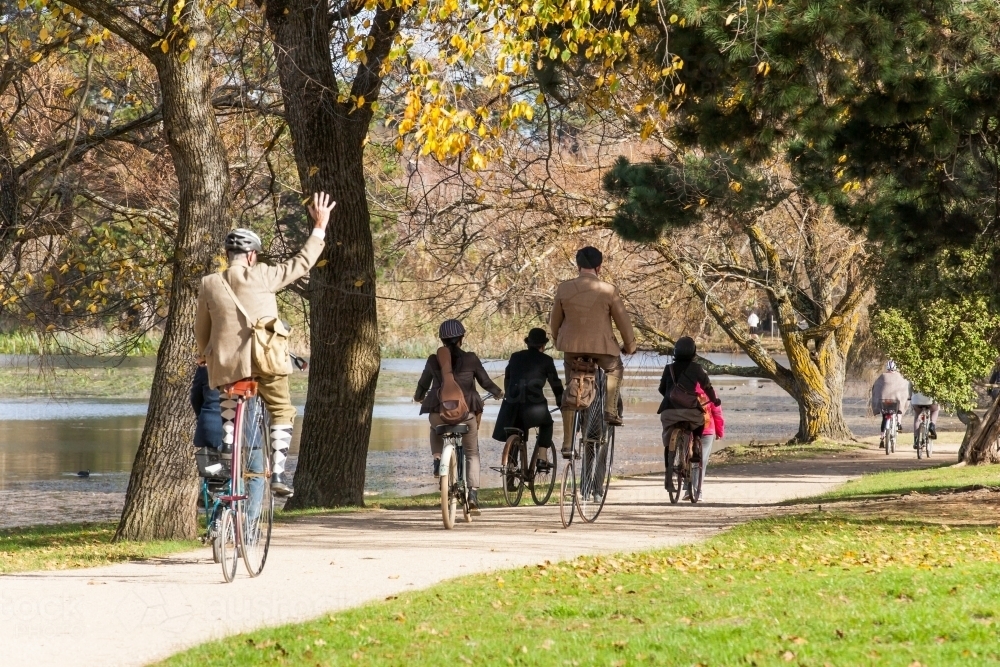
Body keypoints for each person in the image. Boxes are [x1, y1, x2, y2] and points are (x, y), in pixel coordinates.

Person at [195, 191, 335, 498]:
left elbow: (201, 330)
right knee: (281, 410)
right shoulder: (263, 275)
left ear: (228, 256)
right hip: (268, 360)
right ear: (251, 256)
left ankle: (228, 458)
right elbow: (302, 262)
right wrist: (319, 226)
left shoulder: (209, 283)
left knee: (228, 407)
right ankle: (279, 473)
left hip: (229, 364)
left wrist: (203, 354)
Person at [550, 246, 637, 458]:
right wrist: (630, 346)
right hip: (603, 349)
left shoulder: (564, 288)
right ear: (599, 267)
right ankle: (610, 410)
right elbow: (623, 323)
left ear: (578, 265)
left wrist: (557, 339)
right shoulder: (609, 290)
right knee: (615, 369)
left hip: (572, 349)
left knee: (572, 385)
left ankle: (568, 444)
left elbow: (554, 322)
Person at [414, 319, 503, 514]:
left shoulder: (432, 359)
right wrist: (498, 392)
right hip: (466, 415)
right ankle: (472, 495)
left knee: (434, 427)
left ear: (442, 340)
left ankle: (438, 460)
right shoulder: (471, 358)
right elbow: (486, 382)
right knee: (472, 453)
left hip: (439, 413)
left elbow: (422, 385)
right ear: (461, 338)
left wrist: (418, 397)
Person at [492, 328, 564, 490]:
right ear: (543, 345)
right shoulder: (546, 360)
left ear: (528, 343)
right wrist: (561, 404)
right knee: (547, 424)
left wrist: (509, 395)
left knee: (516, 432)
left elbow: (508, 378)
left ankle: (510, 471)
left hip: (511, 406)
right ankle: (543, 457)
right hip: (534, 408)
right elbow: (556, 385)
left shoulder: (515, 357)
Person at [693, 383, 724, 502]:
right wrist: (719, 431)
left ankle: (686, 487)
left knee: (688, 456)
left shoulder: (684, 390)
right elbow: (717, 413)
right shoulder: (710, 392)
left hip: (689, 428)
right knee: (702, 460)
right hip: (707, 429)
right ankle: (697, 491)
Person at [870, 360, 910, 448]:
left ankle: (882, 437)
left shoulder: (882, 376)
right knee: (899, 411)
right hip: (896, 400)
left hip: (884, 401)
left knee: (885, 417)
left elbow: (876, 386)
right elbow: (905, 388)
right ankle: (899, 423)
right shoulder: (900, 377)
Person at [190, 363, 224, 450]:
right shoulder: (252, 369)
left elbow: (195, 398)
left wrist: (202, 416)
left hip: (212, 425)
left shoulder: (207, 367)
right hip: (248, 431)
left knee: (213, 462)